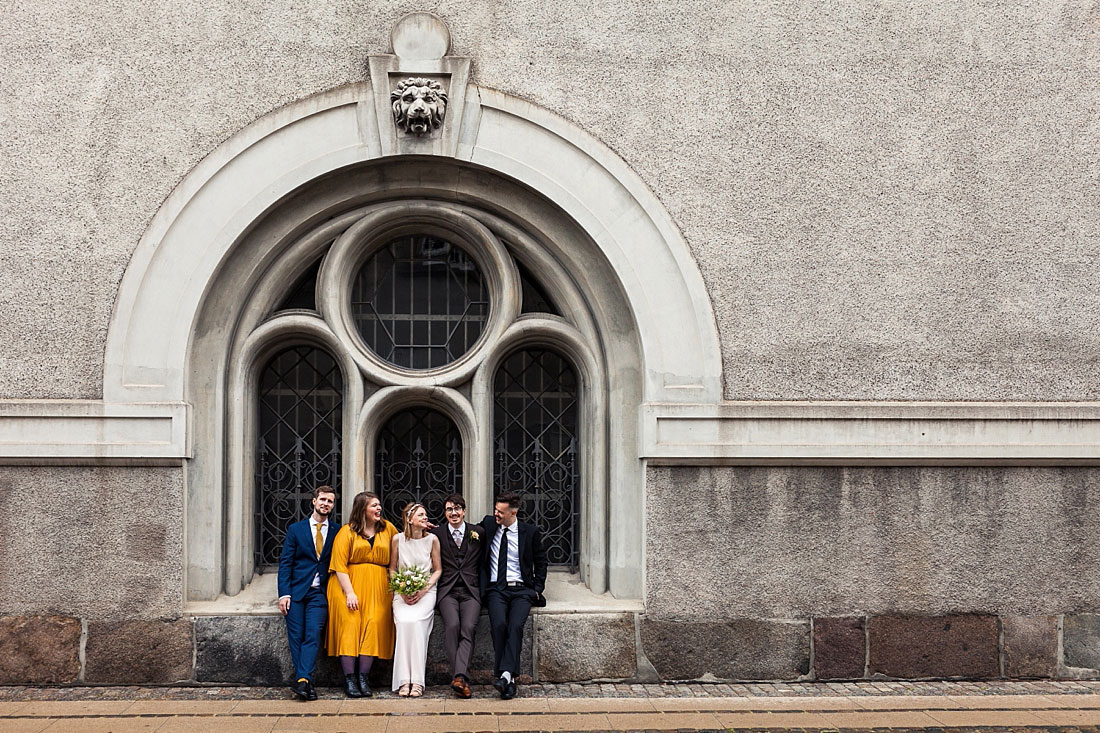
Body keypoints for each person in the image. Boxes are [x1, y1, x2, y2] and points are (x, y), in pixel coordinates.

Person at [326, 491, 399, 698]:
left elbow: (404, 544)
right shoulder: (346, 532)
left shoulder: (388, 529)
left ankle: (363, 677)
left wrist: (424, 529)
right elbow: (339, 565)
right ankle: (349, 678)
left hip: (378, 587)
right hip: (347, 586)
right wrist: (349, 593)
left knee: (374, 623)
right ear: (362, 509)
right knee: (350, 625)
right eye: (374, 506)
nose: (379, 509)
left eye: (379, 505)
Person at [478, 491, 547, 700]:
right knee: (499, 625)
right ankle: (508, 678)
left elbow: (541, 561)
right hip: (496, 589)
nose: (496, 514)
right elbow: (466, 530)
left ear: (513, 513)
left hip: (521, 590)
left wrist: (536, 588)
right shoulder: (489, 525)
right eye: (495, 510)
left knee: (515, 626)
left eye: (500, 512)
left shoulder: (530, 532)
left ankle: (504, 675)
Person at [277, 485, 338, 701]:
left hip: (320, 593)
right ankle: (305, 681)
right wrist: (284, 594)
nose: (325, 504)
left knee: (313, 634)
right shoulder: (296, 529)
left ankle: (302, 680)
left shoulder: (337, 531)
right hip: (296, 592)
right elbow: (286, 564)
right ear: (314, 501)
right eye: (322, 499)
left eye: (329, 501)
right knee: (296, 636)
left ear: (332, 505)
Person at [430, 493, 483, 698]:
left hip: (471, 591)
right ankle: (460, 677)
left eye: (457, 508)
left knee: (468, 628)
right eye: (449, 509)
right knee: (452, 626)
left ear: (464, 511)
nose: (454, 513)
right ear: (445, 513)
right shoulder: (436, 534)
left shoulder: (478, 532)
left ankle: (459, 678)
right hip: (447, 591)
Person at [389, 502, 442, 697]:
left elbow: (438, 569)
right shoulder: (397, 540)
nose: (425, 517)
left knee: (417, 623)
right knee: (404, 622)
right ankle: (404, 681)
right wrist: (401, 589)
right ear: (409, 520)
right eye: (421, 515)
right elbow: (393, 569)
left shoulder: (433, 540)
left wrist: (424, 589)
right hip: (402, 592)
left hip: (426, 591)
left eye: (425, 514)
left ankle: (417, 682)